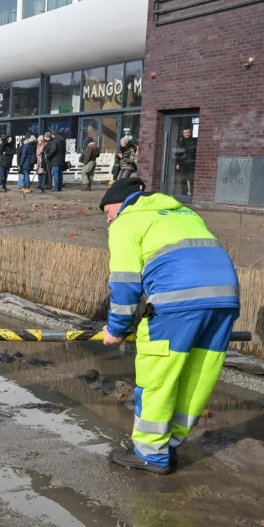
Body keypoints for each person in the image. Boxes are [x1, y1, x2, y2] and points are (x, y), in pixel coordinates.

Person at [99, 176, 240, 475]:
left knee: (158, 378)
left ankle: (150, 454)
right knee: (197, 377)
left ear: (117, 206)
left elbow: (125, 283)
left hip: (177, 303)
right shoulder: (184, 214)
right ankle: (169, 445)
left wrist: (115, 328)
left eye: (107, 215)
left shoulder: (127, 221)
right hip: (225, 299)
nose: (109, 222)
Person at [174, 127, 197, 196]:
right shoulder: (180, 140)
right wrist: (177, 163)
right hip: (182, 163)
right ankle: (184, 194)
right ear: (183, 133)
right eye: (185, 133)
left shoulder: (194, 139)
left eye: (188, 133)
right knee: (183, 180)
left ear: (191, 133)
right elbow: (177, 152)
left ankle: (192, 194)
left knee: (191, 180)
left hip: (191, 163)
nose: (186, 134)